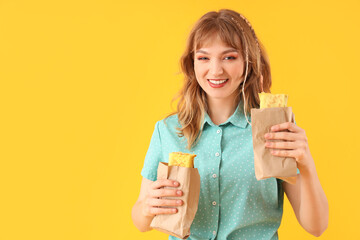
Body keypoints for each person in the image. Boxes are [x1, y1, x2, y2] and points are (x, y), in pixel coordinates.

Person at [131, 9, 328, 240]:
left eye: (229, 57)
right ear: (192, 64)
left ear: (248, 62)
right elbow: (140, 221)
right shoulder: (167, 131)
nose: (215, 70)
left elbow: (316, 227)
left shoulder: (273, 130)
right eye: (203, 58)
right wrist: (147, 207)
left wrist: (306, 164)